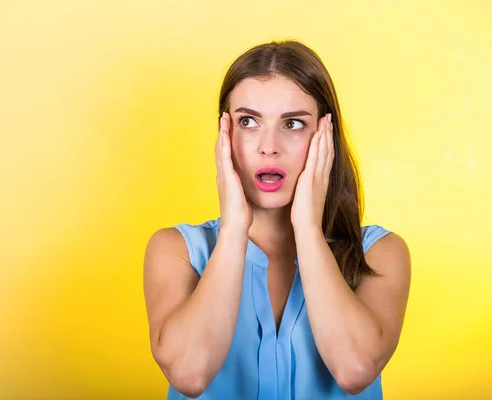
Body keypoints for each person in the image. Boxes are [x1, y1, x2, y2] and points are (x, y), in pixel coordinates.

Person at [143, 39, 411, 399]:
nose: (269, 146)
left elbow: (354, 369)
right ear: (225, 135)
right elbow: (189, 375)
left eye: (293, 124)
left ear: (324, 135)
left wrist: (308, 230)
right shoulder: (176, 251)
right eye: (249, 121)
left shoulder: (380, 253)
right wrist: (235, 228)